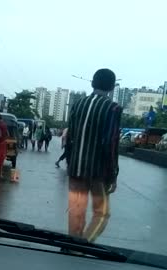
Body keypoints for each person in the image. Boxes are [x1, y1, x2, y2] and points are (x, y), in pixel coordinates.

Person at [66, 68, 122, 243]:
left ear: (92, 83)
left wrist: (70, 164)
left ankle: (71, 245)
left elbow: (70, 137)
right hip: (99, 172)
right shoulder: (113, 108)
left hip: (75, 169)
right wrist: (113, 175)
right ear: (112, 87)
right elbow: (110, 143)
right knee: (101, 213)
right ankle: (84, 245)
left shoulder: (78, 104)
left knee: (76, 210)